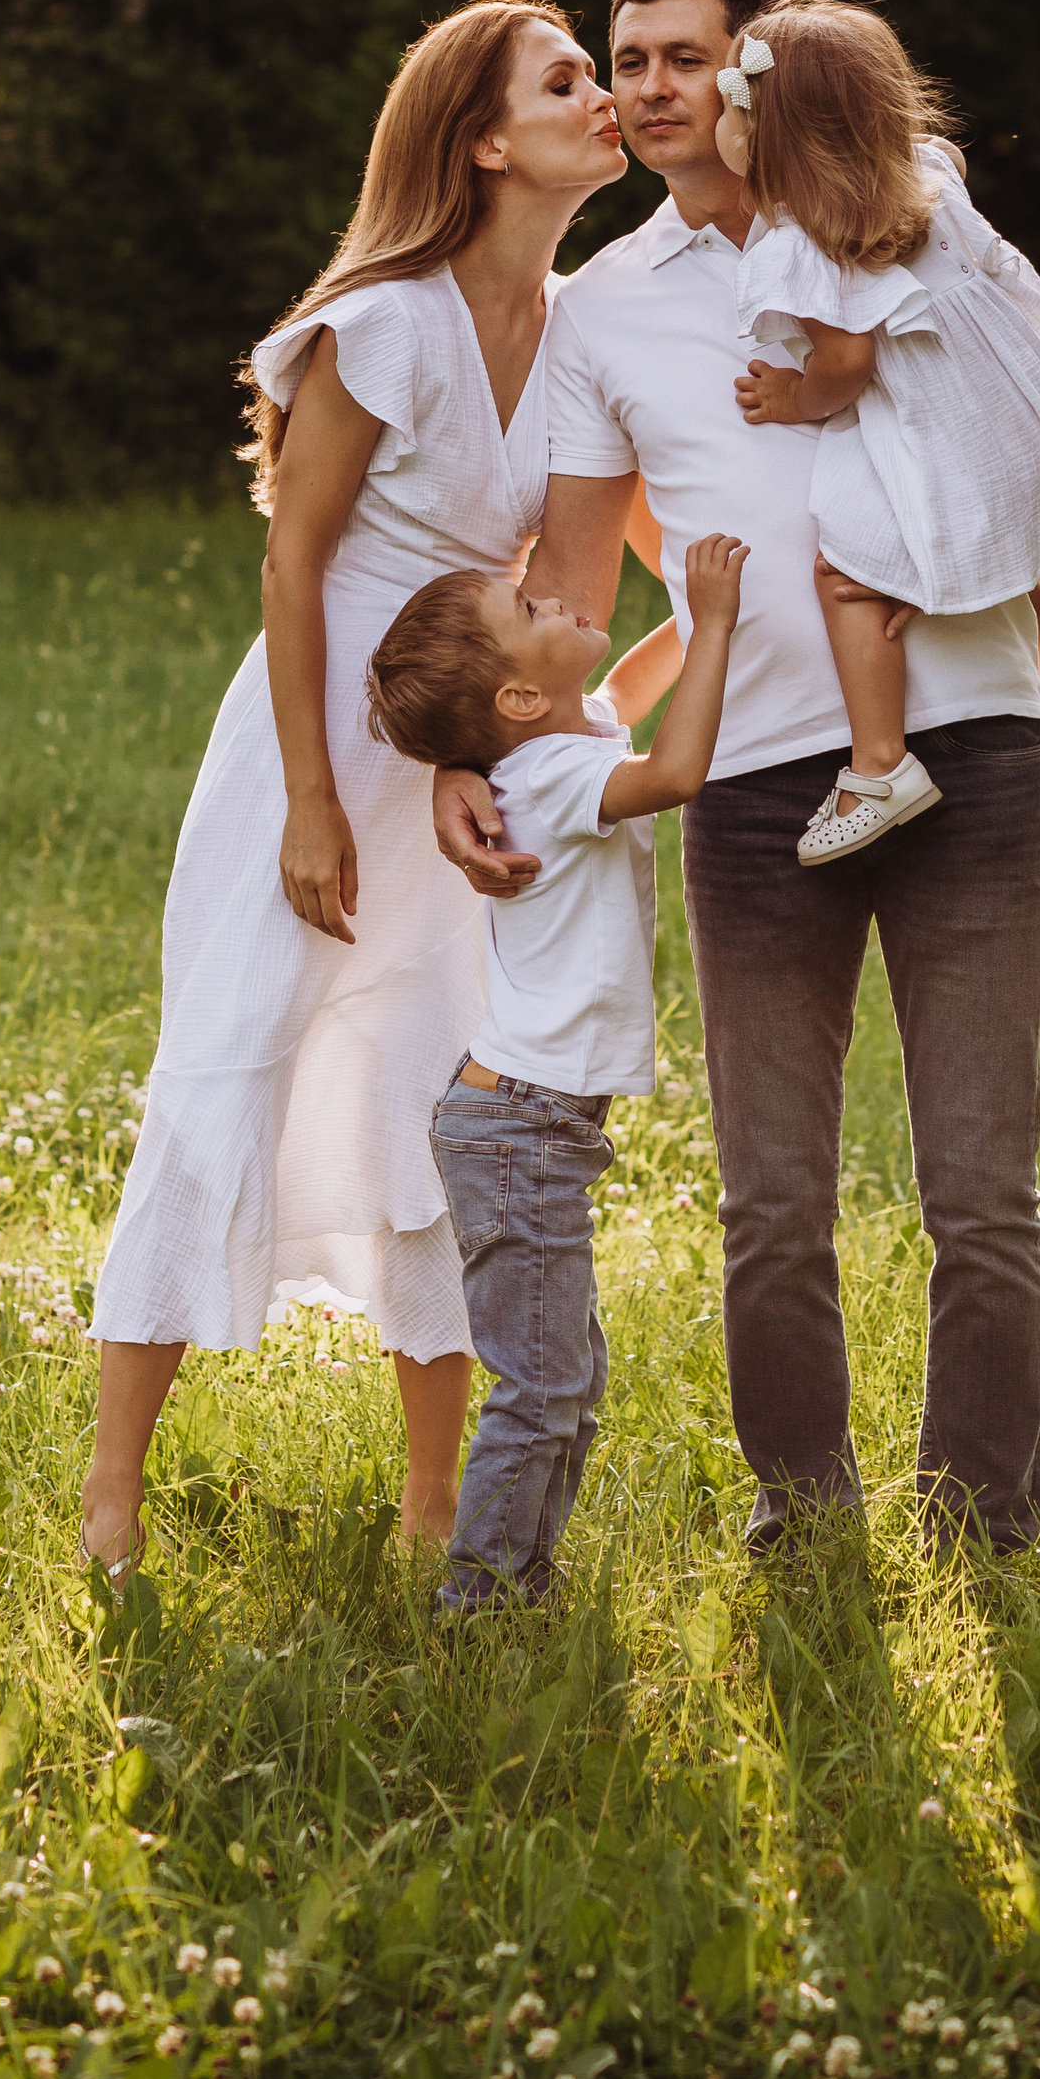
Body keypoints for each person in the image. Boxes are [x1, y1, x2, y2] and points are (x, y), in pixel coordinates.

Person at [435, 0, 1040, 1559]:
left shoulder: (893, 221)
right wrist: (475, 744)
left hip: (974, 743)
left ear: (755, 69)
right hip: (753, 789)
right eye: (624, 57)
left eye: (678, 56)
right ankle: (805, 1517)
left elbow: (1029, 398)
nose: (645, 84)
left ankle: (983, 1530)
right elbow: (573, 582)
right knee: (772, 1200)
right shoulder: (610, 309)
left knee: (981, 1189)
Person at [78, 0, 625, 1578]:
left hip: (459, 748)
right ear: (480, 134)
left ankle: (436, 1496)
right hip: (312, 736)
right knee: (231, 1051)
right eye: (567, 79)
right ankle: (114, 1496)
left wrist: (488, 766)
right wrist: (315, 795)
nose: (602, 99)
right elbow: (294, 555)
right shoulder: (386, 320)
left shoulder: (581, 329)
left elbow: (570, 598)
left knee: (438, 1092)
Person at [366, 532, 748, 1612]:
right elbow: (673, 773)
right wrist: (715, 623)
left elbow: (626, 687)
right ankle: (480, 1609)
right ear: (523, 702)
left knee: (566, 1387)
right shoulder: (562, 774)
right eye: (530, 611)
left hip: (524, 1122)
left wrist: (721, 602)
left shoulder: (557, 744)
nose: (554, 597)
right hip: (521, 1127)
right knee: (543, 1392)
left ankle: (522, 1582)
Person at [715, 0, 1040, 861]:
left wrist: (789, 397)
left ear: (770, 135)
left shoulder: (809, 238)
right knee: (1010, 572)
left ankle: (880, 765)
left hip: (939, 433)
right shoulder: (925, 177)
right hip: (1008, 418)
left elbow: (846, 367)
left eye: (733, 108)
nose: (723, 126)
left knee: (845, 573)